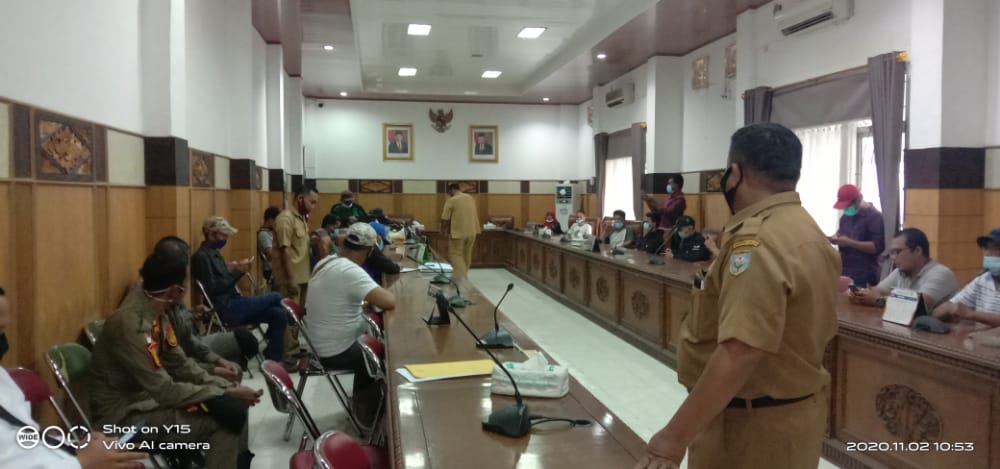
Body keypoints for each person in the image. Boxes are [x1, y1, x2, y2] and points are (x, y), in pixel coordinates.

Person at [636, 123, 840, 469]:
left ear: (734, 174)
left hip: (750, 428)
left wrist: (672, 439)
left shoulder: (757, 242)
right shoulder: (806, 228)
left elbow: (740, 351)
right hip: (792, 415)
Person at [84, 238, 261, 469]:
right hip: (122, 421)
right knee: (226, 419)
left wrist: (222, 387)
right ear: (176, 290)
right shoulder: (131, 324)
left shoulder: (157, 312)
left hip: (147, 403)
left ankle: (239, 463)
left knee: (231, 403)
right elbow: (165, 390)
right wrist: (221, 393)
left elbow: (179, 362)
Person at [0, 287, 148, 469]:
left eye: (3, 330)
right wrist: (81, 463)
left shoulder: (2, 379)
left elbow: (23, 440)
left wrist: (76, 446)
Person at [306, 225, 396, 429]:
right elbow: (389, 301)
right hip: (336, 350)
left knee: (379, 339)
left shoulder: (327, 261)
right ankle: (369, 416)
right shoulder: (350, 270)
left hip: (320, 343)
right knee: (389, 356)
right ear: (370, 251)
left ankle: (364, 404)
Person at [123, 276, 257, 383]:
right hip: (179, 361)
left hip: (188, 347)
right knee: (228, 389)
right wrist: (214, 371)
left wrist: (192, 313)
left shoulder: (171, 298)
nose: (183, 290)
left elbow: (184, 335)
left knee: (237, 360)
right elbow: (174, 364)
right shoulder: (148, 310)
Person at [191, 216, 286, 363]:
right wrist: (238, 272)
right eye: (223, 235)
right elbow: (214, 288)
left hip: (235, 301)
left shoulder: (215, 253)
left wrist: (237, 269)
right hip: (226, 307)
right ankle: (294, 321)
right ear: (211, 234)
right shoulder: (201, 257)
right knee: (276, 297)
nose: (226, 239)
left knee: (278, 313)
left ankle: (273, 357)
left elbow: (224, 281)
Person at [851, 228, 957, 311]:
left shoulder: (941, 274)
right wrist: (861, 294)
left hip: (933, 331)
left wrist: (879, 301)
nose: (893, 257)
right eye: (891, 253)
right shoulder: (901, 271)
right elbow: (877, 291)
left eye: (897, 252)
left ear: (917, 251)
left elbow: (919, 306)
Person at [932, 228, 1000, 327]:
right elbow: (944, 310)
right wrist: (947, 310)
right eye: (986, 248)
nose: (988, 254)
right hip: (981, 336)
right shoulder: (983, 280)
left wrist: (971, 314)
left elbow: (967, 313)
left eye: (997, 249)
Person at [830, 183, 885, 287]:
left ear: (859, 198)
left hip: (865, 274)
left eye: (848, 206)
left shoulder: (875, 217)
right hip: (845, 270)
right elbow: (841, 232)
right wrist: (834, 238)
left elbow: (876, 247)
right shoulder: (846, 217)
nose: (846, 209)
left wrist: (850, 243)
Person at [441, 183, 481, 280]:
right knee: (466, 254)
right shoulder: (470, 198)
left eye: (449, 192)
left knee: (455, 254)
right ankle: (464, 275)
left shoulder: (452, 200)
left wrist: (442, 231)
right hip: (472, 232)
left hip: (458, 233)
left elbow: (445, 219)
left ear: (451, 190)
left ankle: (462, 278)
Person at [257, 206, 281, 286]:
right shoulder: (263, 234)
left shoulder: (271, 232)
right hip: (271, 271)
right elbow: (271, 255)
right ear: (271, 220)